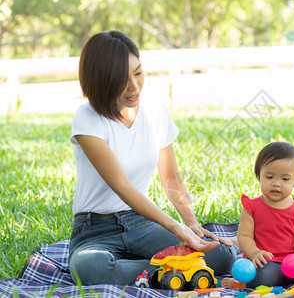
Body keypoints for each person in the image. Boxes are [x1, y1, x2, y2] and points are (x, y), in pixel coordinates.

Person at [68, 30, 239, 285]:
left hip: (142, 224)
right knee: (89, 268)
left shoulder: (155, 110)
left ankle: (161, 271)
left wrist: (191, 223)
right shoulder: (87, 119)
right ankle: (173, 270)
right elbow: (122, 186)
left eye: (138, 73)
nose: (134, 86)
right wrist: (174, 227)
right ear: (100, 80)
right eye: (120, 80)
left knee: (222, 258)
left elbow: (170, 177)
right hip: (94, 230)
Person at [222, 142, 294, 289]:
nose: (276, 184)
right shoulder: (251, 208)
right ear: (259, 177)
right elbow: (244, 237)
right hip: (266, 263)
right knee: (260, 274)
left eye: (285, 179)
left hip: (293, 263)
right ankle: (245, 282)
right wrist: (254, 253)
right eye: (270, 177)